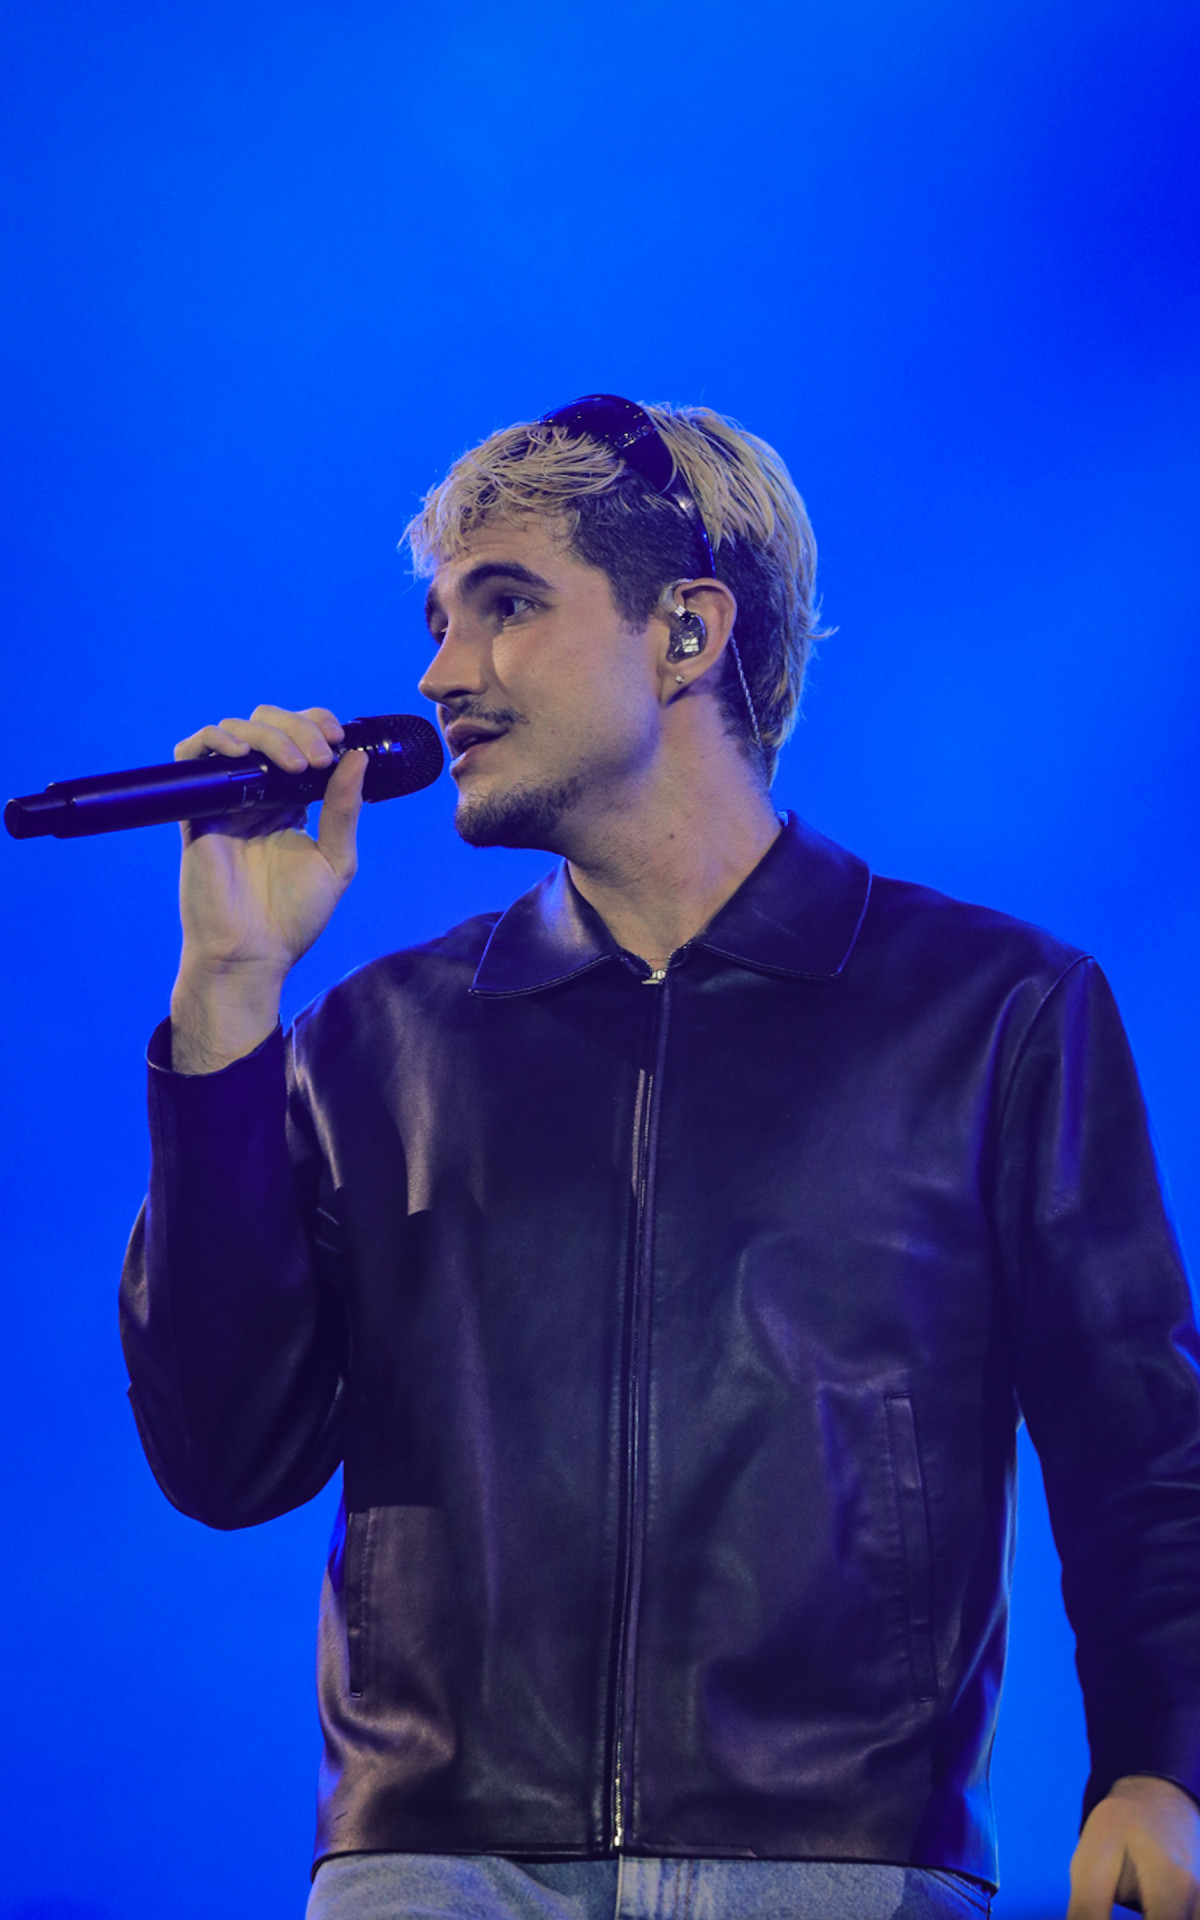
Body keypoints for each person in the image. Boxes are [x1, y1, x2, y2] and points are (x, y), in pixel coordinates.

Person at [120, 396, 1200, 1920]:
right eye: (437, 617)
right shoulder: (380, 1038)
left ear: (687, 630)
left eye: (506, 605)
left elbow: (1143, 1445)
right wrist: (229, 1000)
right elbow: (224, 1462)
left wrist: (1162, 1766)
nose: (439, 673)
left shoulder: (995, 1013)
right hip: (434, 1864)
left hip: (839, 1859)